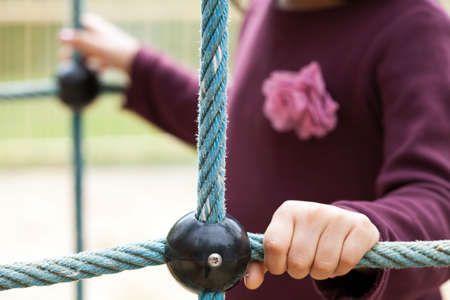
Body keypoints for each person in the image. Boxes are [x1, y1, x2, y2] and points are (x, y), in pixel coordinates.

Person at [59, 0, 450, 298]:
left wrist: (365, 229)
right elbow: (237, 130)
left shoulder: (416, 28)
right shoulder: (264, 9)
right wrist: (139, 65)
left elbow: (438, 196)